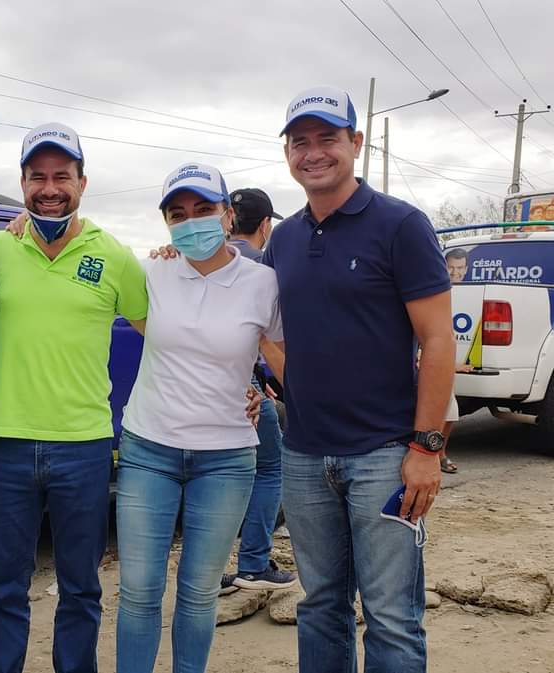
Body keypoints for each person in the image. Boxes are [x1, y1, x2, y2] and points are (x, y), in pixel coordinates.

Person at [267, 86, 454, 673]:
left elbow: (439, 340)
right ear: (288, 153)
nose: (314, 152)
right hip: (303, 456)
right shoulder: (284, 238)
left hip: (383, 456)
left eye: (328, 139)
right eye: (301, 142)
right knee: (320, 605)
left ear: (356, 143)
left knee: (392, 616)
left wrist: (426, 447)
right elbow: (271, 331)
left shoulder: (400, 225)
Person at [0, 122, 149, 673]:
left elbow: (165, 335)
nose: (49, 188)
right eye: (37, 177)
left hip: (85, 445)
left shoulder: (115, 255)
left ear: (82, 182)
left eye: (62, 176)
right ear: (23, 182)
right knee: (4, 586)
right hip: (8, 443)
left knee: (80, 587)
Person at [116, 163, 285, 673]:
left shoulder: (264, 283)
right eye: (178, 214)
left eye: (204, 210)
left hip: (227, 458)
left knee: (198, 593)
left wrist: (265, 393)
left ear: (228, 215)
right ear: (167, 224)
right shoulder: (151, 272)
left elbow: (283, 361)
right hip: (149, 449)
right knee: (139, 592)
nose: (191, 222)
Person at [218, 187, 298, 593]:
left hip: (203, 386)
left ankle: (214, 567)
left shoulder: (203, 259)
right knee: (270, 465)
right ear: (265, 225)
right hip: (241, 386)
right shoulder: (264, 268)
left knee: (217, 473)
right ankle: (253, 563)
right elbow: (270, 338)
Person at [441, 248, 470, 473]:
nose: (455, 272)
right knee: (444, 410)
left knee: (451, 412)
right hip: (431, 362)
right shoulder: (434, 291)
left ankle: (439, 453)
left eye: (459, 268)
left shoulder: (468, 293)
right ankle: (435, 455)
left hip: (449, 363)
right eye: (451, 267)